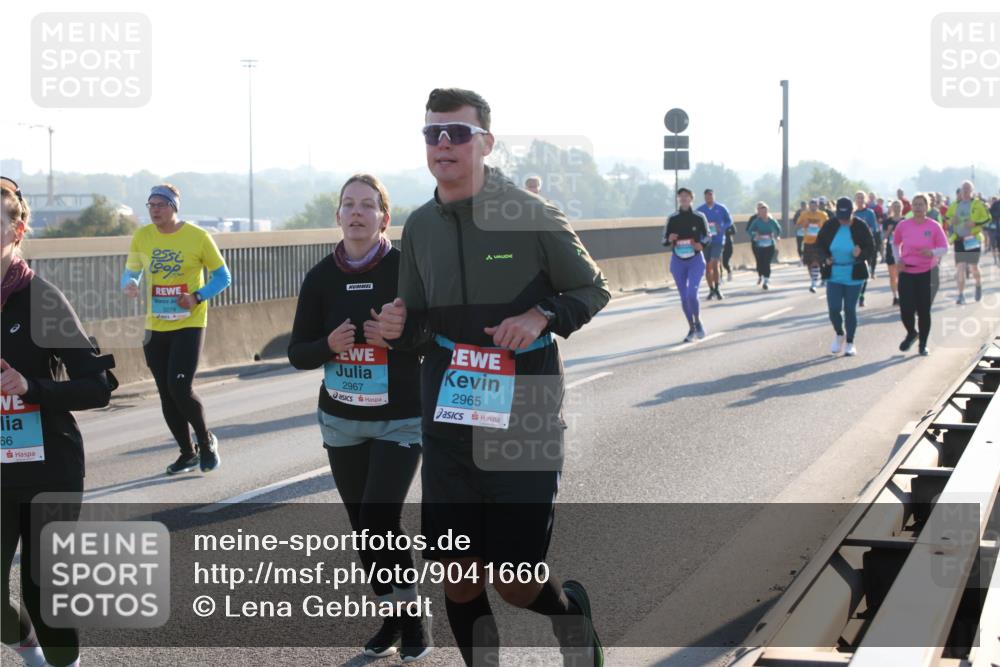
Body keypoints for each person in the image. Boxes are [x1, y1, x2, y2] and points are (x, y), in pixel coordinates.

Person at [375, 88, 609, 667]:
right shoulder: (421, 225)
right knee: (457, 575)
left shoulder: (529, 214)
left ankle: (570, 616)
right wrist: (396, 327)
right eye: (434, 133)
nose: (444, 144)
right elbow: (416, 324)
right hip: (450, 420)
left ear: (486, 141)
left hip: (523, 415)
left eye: (457, 133)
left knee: (514, 580)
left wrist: (542, 315)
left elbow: (592, 288)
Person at [287, 174, 429, 661]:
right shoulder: (320, 277)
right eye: (348, 204)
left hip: (400, 419)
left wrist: (397, 338)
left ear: (384, 218)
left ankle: (414, 624)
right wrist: (327, 345)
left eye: (367, 205)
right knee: (363, 526)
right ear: (338, 216)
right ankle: (392, 617)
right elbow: (297, 352)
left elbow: (432, 335)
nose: (357, 212)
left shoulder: (405, 268)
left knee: (379, 515)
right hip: (342, 420)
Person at [2, 177, 116, 667]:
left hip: (49, 466)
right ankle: (30, 652)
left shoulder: (41, 299)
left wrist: (32, 387)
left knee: (42, 588)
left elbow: (98, 384)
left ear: (18, 229)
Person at [121, 184, 232, 475]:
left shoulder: (197, 237)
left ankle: (206, 443)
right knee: (166, 392)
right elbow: (131, 271)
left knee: (180, 387)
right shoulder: (143, 236)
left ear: (174, 206)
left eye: (160, 204)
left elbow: (223, 277)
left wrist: (197, 296)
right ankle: (187, 453)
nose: (154, 210)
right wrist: (129, 284)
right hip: (155, 325)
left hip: (189, 322)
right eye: (150, 205)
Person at [817, 196, 876, 356]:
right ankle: (839, 333)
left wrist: (861, 253)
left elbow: (871, 248)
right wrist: (825, 258)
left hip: (854, 274)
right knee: (834, 309)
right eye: (840, 217)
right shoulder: (830, 225)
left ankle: (850, 342)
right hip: (834, 274)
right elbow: (819, 245)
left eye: (846, 217)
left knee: (850, 309)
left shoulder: (860, 226)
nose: (843, 221)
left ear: (852, 212)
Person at [893, 193, 949, 356]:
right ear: (911, 206)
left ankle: (923, 344)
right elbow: (895, 243)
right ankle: (912, 332)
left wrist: (932, 252)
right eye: (915, 204)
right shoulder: (903, 225)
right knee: (906, 309)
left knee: (924, 310)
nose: (918, 207)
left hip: (927, 272)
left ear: (927, 207)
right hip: (907, 271)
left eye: (921, 205)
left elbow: (945, 248)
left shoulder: (933, 226)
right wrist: (898, 260)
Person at [665, 187, 712, 340]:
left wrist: (701, 245)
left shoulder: (699, 217)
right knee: (684, 297)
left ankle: (698, 321)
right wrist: (669, 238)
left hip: (695, 261)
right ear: (678, 199)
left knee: (692, 294)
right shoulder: (672, 218)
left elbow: (708, 236)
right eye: (681, 196)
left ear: (692, 198)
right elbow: (663, 240)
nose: (684, 198)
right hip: (678, 261)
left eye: (686, 196)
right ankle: (691, 328)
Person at [945, 180, 990, 304]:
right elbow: (948, 217)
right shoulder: (955, 205)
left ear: (972, 191)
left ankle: (978, 284)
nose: (965, 191)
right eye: (963, 189)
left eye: (967, 189)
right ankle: (960, 295)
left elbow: (987, 219)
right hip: (959, 239)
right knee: (960, 268)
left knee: (973, 267)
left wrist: (975, 223)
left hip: (973, 239)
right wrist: (951, 221)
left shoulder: (978, 204)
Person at [696, 188, 733, 300]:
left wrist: (721, 227)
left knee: (715, 263)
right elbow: (696, 224)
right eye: (707, 196)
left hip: (718, 240)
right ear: (704, 197)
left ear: (714, 196)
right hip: (706, 241)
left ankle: (717, 288)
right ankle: (711, 289)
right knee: (707, 267)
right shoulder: (700, 210)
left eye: (711, 195)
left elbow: (729, 221)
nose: (709, 197)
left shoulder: (721, 208)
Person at [853, 190, 880, 306]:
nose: (859, 199)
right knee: (855, 272)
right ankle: (855, 293)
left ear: (865, 200)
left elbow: (874, 229)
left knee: (864, 272)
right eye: (857, 197)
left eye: (861, 197)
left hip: (866, 245)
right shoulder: (852, 213)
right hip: (854, 246)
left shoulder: (870, 213)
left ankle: (861, 295)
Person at [747, 202, 781, 290]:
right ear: (759, 212)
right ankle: (761, 275)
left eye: (765, 211)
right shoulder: (756, 221)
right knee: (761, 262)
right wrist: (755, 235)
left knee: (767, 262)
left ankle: (766, 280)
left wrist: (776, 235)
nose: (763, 213)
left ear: (768, 211)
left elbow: (778, 229)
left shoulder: (772, 220)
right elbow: (749, 231)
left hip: (770, 245)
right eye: (761, 212)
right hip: (760, 245)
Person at [797, 199, 827, 292]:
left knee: (816, 262)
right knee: (809, 263)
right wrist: (803, 225)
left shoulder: (823, 215)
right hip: (807, 241)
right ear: (809, 206)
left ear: (817, 206)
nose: (813, 207)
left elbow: (828, 227)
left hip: (818, 242)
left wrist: (821, 228)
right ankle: (814, 279)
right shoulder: (804, 214)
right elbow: (797, 226)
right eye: (811, 206)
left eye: (814, 206)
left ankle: (814, 283)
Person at [882, 200, 903, 305]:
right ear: (892, 208)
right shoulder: (887, 221)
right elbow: (883, 237)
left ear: (901, 207)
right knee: (892, 276)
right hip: (890, 250)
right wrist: (889, 230)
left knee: (902, 275)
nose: (896, 208)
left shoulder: (905, 221)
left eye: (898, 206)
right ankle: (895, 296)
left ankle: (902, 294)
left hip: (903, 251)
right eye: (895, 206)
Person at [987, 196, 1000, 265]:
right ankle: (996, 259)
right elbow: (991, 213)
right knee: (995, 246)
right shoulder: (996, 204)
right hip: (996, 229)